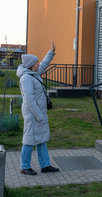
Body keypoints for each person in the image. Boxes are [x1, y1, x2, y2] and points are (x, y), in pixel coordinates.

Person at [16, 40, 59, 175]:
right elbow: (29, 100)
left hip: (39, 113)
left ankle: (45, 165)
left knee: (41, 139)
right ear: (30, 65)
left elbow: (44, 64)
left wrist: (51, 52)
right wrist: (39, 115)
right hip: (33, 114)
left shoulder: (33, 73)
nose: (38, 64)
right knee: (29, 140)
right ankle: (24, 166)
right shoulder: (26, 78)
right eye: (36, 62)